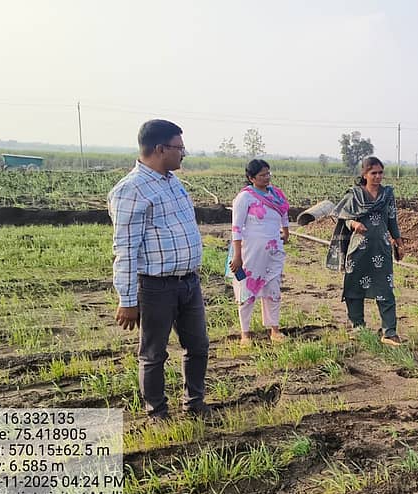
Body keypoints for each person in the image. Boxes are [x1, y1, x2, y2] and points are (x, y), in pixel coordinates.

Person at [108, 119, 210, 423]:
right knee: (154, 354)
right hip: (155, 287)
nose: (183, 154)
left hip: (188, 282)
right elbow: (126, 249)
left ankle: (195, 403)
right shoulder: (131, 190)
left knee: (198, 346)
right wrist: (127, 300)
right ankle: (158, 413)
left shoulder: (173, 183)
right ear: (160, 149)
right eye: (179, 148)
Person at [326, 156, 406, 346]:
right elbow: (342, 217)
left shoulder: (387, 195)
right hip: (359, 249)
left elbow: (392, 219)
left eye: (380, 173)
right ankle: (358, 327)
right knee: (354, 288)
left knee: (385, 289)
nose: (378, 176)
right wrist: (354, 224)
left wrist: (399, 242)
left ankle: (389, 332)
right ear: (364, 174)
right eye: (373, 173)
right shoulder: (354, 195)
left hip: (381, 248)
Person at [226, 159, 290, 347]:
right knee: (247, 291)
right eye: (262, 175)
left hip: (273, 251)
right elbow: (236, 228)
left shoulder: (276, 194)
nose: (266, 178)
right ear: (251, 178)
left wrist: (286, 232)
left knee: (273, 289)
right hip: (250, 252)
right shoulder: (244, 198)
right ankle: (245, 333)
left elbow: (284, 214)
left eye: (268, 173)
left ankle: (274, 330)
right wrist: (237, 256)